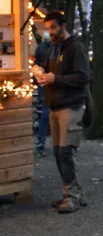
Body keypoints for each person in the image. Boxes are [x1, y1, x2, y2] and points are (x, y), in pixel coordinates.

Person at [34, 10, 91, 213]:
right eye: (48, 28)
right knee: (59, 153)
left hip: (71, 106)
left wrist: (55, 79)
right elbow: (46, 70)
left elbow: (83, 77)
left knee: (66, 152)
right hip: (55, 106)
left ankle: (72, 196)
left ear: (63, 26)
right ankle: (73, 193)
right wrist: (39, 73)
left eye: (53, 28)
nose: (50, 32)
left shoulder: (76, 48)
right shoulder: (53, 48)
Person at [34, 27, 52, 156]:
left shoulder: (40, 47)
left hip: (45, 84)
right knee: (46, 114)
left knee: (44, 114)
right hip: (47, 83)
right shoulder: (59, 47)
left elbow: (36, 64)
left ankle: (41, 141)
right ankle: (42, 141)